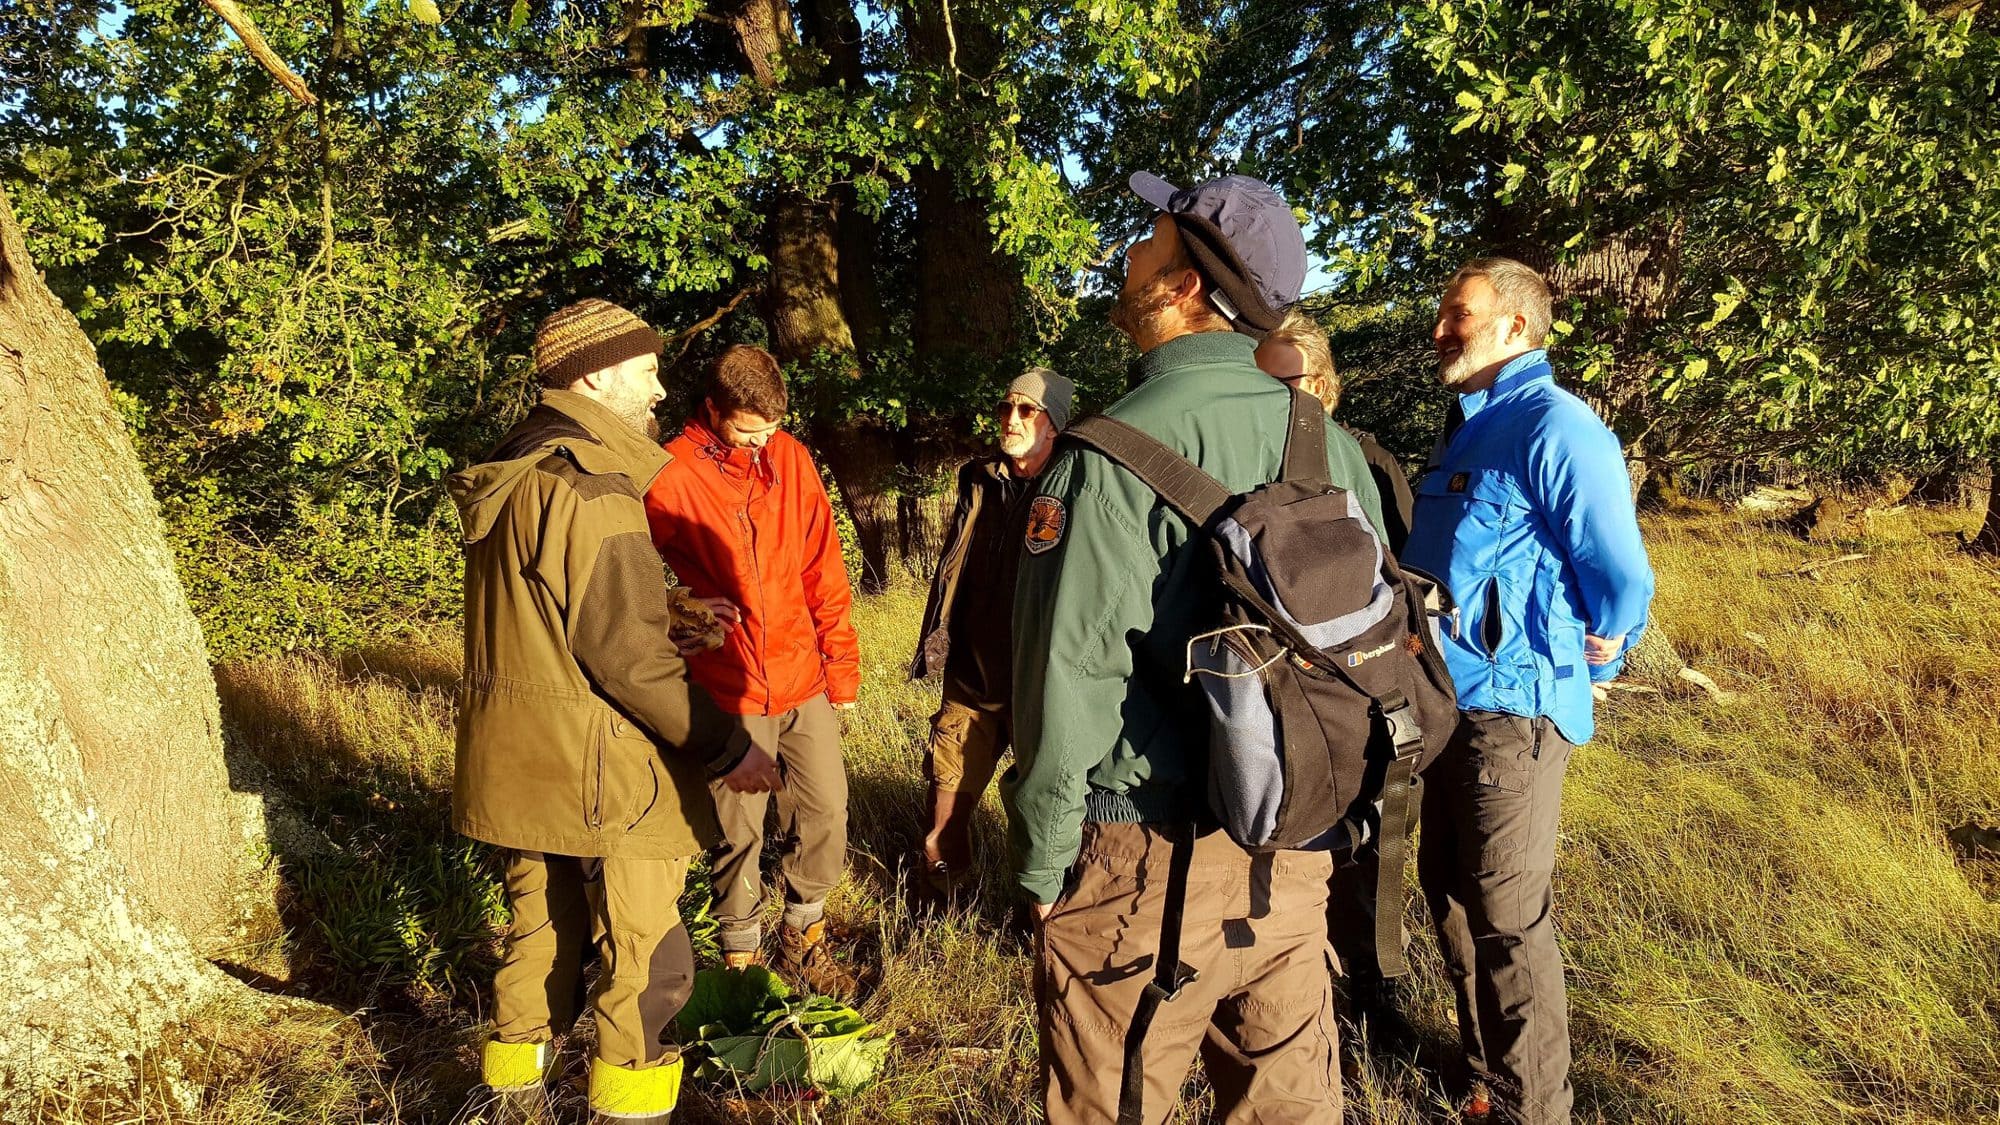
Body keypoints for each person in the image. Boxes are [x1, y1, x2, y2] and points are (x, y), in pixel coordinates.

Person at [1005, 172, 1386, 1125]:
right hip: (1294, 855)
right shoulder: (1329, 444)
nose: (1128, 253)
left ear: (1181, 287)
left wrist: (1045, 865)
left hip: (1141, 864)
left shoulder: (1104, 455)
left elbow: (1067, 682)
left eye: (1148, 238)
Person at [449, 298, 781, 1125]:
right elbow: (626, 658)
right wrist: (725, 743)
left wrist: (665, 605)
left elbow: (548, 617)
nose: (659, 388)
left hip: (524, 766)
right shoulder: (592, 485)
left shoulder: (519, 468)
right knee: (649, 963)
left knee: (537, 945)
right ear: (596, 374)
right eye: (645, 369)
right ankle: (630, 1109)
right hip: (600, 769)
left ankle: (510, 1104)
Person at [1401, 258, 1655, 1124]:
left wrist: (1602, 659)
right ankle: (1485, 1074)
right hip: (1444, 704)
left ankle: (1531, 1107)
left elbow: (1620, 579)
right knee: (1446, 888)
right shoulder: (1467, 426)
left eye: (1457, 313)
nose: (1440, 327)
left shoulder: (1557, 426)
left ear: (1515, 326)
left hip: (1514, 711)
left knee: (1507, 910)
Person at [644, 344, 862, 995]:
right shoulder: (671, 473)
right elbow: (628, 584)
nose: (763, 441)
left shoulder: (791, 459)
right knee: (738, 830)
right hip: (728, 686)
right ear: (713, 410)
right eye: (748, 429)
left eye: (772, 426)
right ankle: (741, 963)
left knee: (827, 809)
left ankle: (804, 935)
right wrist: (683, 617)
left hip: (802, 678)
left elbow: (824, 565)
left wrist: (840, 668)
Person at [1253, 307, 1420, 1048]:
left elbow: (1400, 576)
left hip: (1354, 686)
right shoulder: (1257, 453)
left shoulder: (1367, 463)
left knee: (1359, 847)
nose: (1268, 396)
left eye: (1282, 382)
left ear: (1321, 383)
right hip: (1274, 689)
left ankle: (1374, 1004)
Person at [908, 367, 1075, 900]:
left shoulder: (1077, 486)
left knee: (1045, 814)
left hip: (1040, 686)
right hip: (971, 678)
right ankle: (942, 908)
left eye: (1028, 410)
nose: (1011, 418)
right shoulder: (978, 478)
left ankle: (1042, 922)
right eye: (1007, 407)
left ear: (1055, 425)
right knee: (944, 811)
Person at [1255, 308, 1415, 551]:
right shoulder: (1256, 448)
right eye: (1256, 383)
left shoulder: (1371, 460)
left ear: (1318, 386)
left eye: (1278, 384)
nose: (1263, 395)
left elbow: (1404, 557)